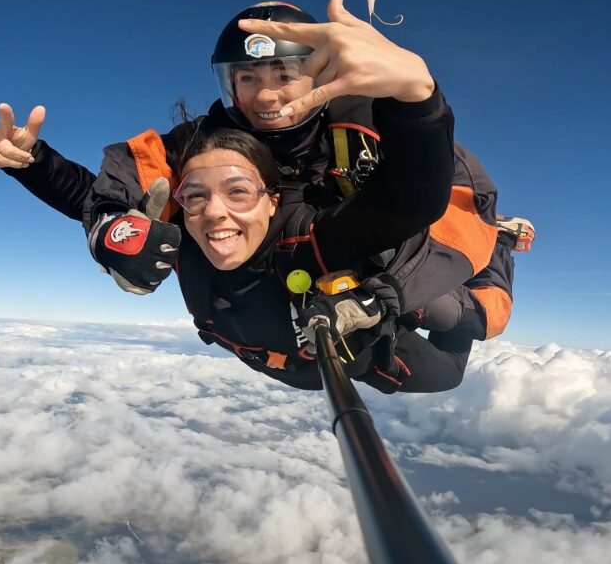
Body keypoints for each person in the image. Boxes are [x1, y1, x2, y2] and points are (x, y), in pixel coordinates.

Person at [0, 0, 528, 344]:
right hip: (294, 270)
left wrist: (418, 101)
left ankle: (497, 250)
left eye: (285, 75)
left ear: (318, 75)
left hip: (401, 246)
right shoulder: (203, 144)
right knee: (209, 211)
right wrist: (42, 170)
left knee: (462, 330)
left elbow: (439, 208)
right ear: (228, 84)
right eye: (249, 78)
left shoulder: (375, 124)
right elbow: (127, 190)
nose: (267, 95)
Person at [107, 96, 471, 393]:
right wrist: (102, 220)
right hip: (290, 364)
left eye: (238, 192)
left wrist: (416, 97)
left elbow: (414, 198)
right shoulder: (186, 242)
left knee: (449, 333)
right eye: (195, 195)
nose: (214, 211)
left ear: (272, 200)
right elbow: (85, 192)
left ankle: (476, 265)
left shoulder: (314, 238)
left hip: (365, 356)